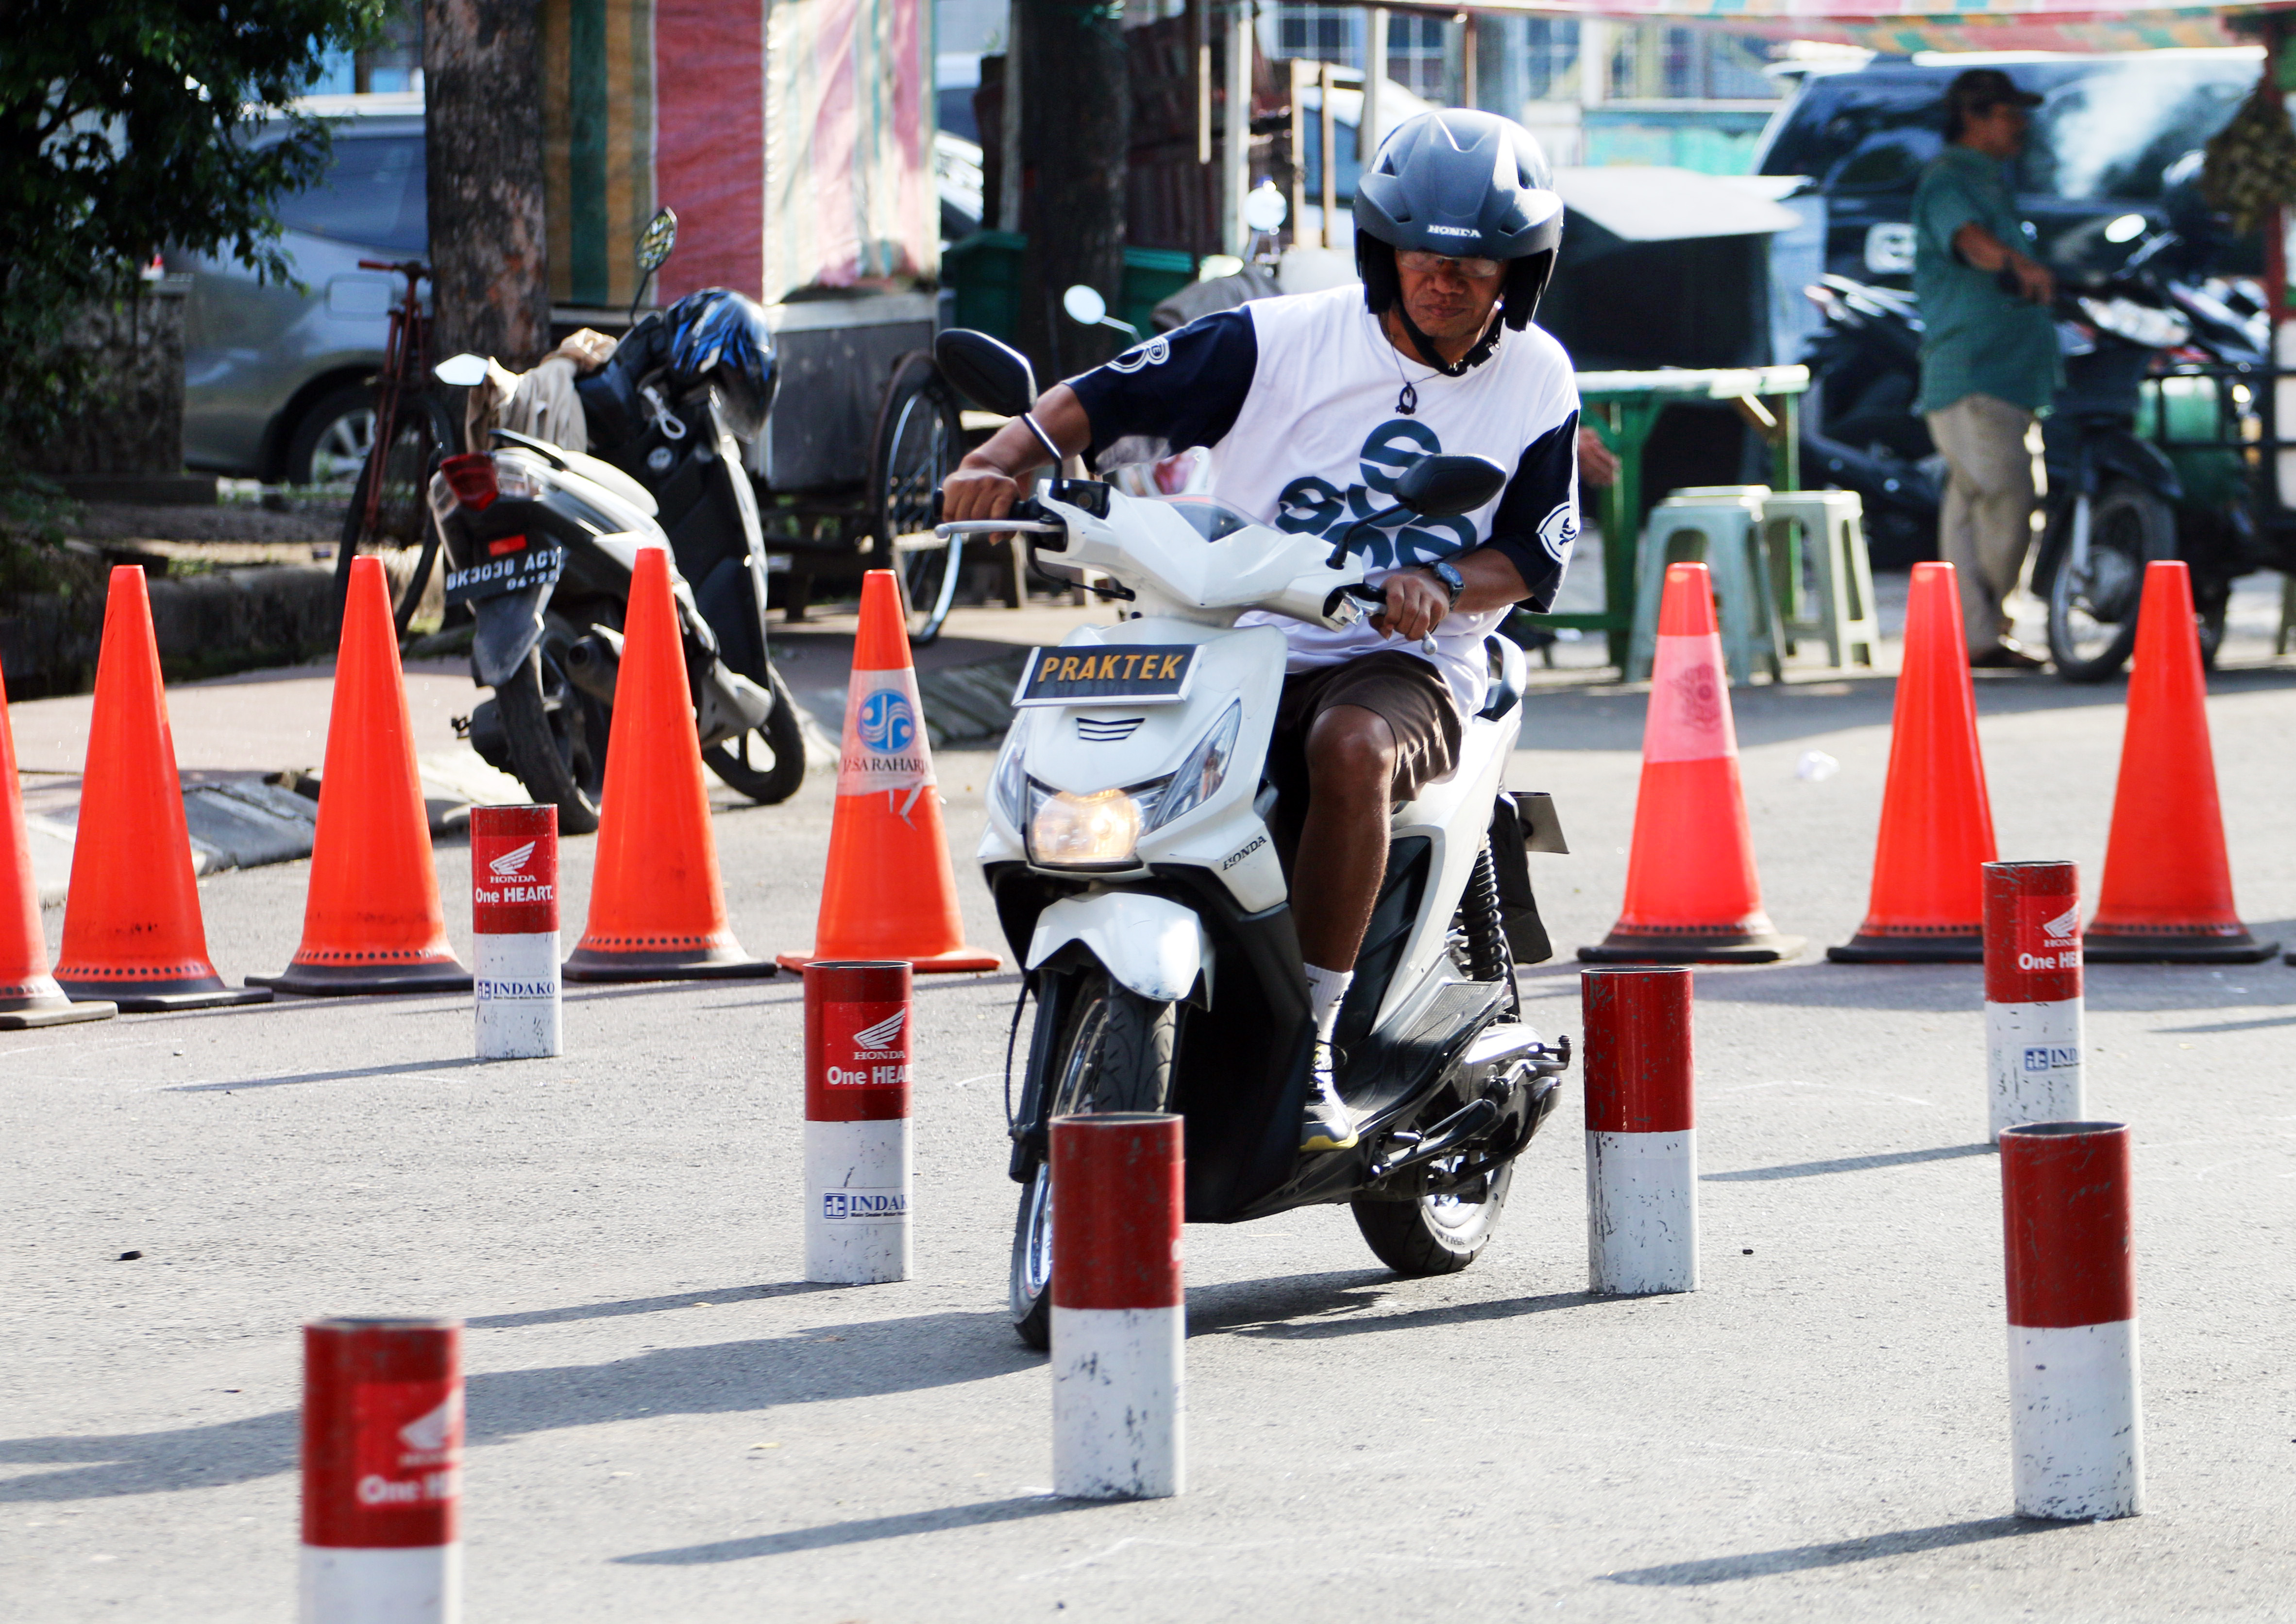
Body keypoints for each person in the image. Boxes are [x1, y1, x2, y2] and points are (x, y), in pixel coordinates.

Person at [940, 109, 1579, 1152]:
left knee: (1350, 747)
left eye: (1477, 264)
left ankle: (1319, 1042)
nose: (1446, 279)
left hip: (1401, 660)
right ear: (1385, 250)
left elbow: (1533, 555)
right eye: (1423, 252)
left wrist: (1440, 578)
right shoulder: (1282, 336)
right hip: (1238, 638)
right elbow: (1112, 393)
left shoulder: (1537, 378)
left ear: (1520, 270)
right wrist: (1002, 461)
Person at [1912, 66, 2062, 670]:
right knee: (2008, 494)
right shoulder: (1949, 181)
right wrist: (2019, 266)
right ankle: (1980, 626)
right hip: (1973, 375)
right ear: (1974, 117)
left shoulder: (1991, 181)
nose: (2020, 125)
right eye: (2008, 113)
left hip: (2008, 374)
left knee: (1977, 504)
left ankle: (1972, 632)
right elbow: (1971, 243)